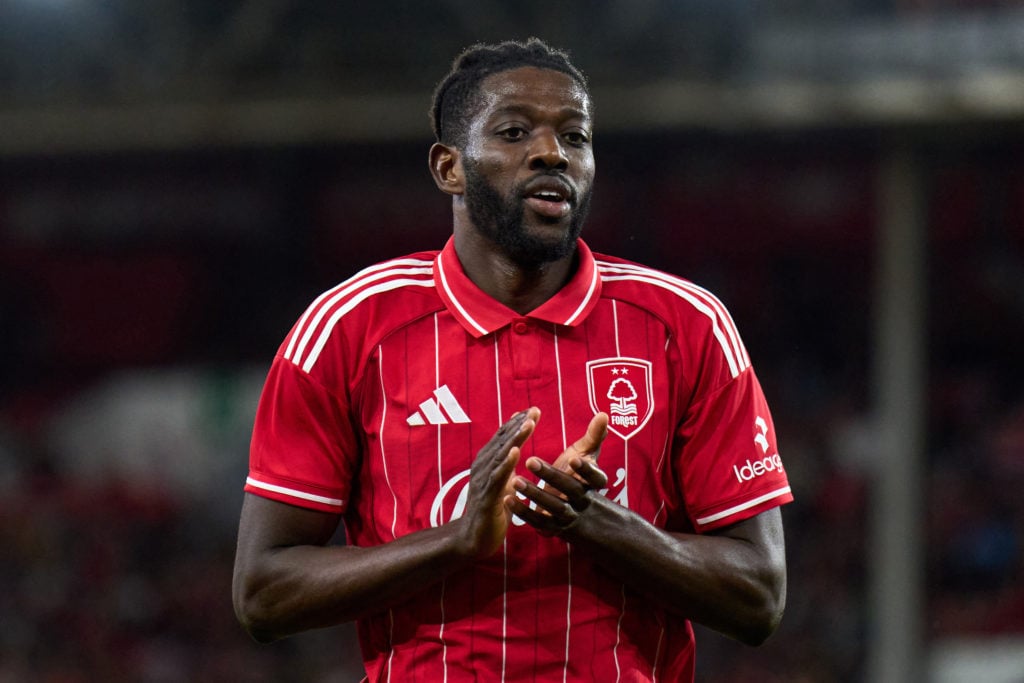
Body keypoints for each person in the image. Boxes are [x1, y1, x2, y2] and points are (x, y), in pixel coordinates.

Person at [233, 38, 792, 682]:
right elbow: (263, 594)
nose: (553, 153)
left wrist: (594, 523)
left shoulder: (687, 326)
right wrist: (457, 540)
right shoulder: (348, 328)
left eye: (575, 137)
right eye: (514, 132)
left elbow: (759, 597)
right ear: (449, 168)